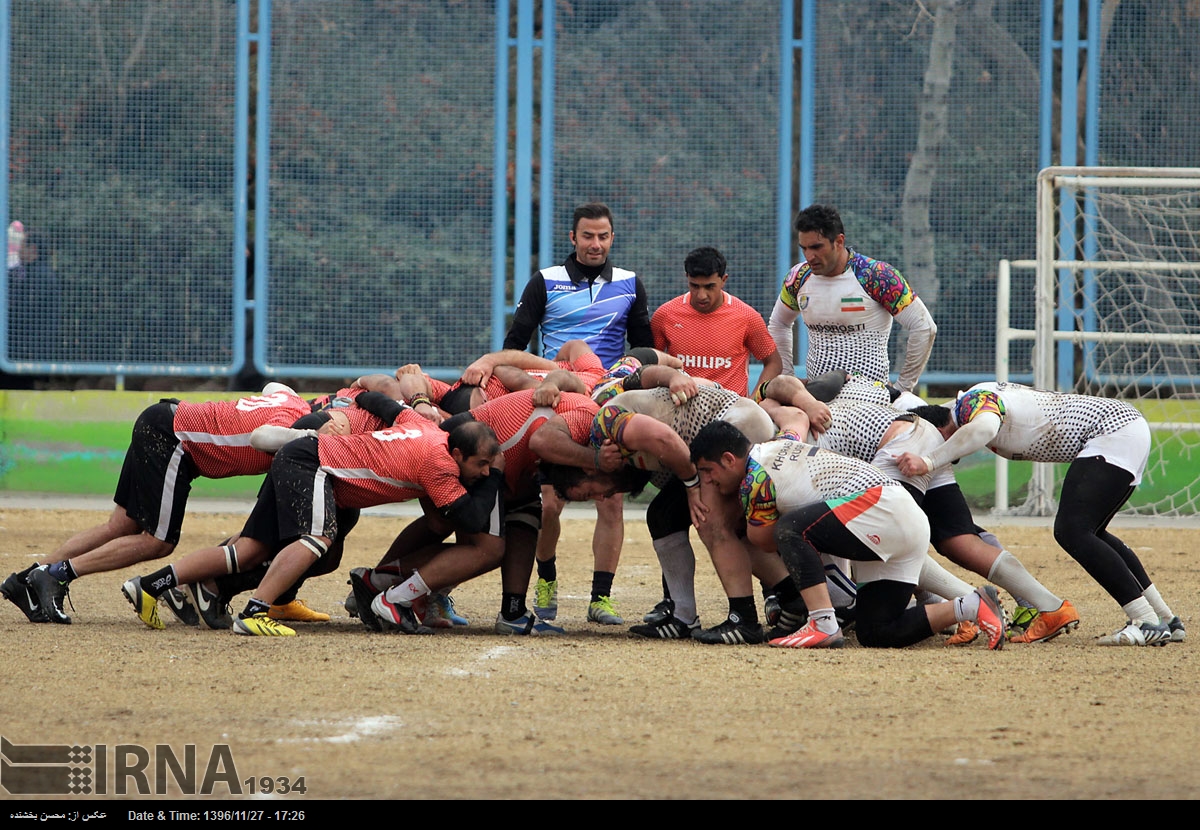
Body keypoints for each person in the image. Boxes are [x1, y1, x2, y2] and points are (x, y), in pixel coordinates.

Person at [120, 410, 503, 637]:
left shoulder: (425, 424)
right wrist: (499, 478)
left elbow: (379, 400)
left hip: (304, 455)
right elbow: (469, 517)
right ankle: (254, 613)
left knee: (248, 549)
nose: (485, 473)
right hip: (312, 461)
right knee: (318, 539)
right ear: (457, 452)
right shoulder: (439, 463)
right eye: (481, 465)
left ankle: (149, 585)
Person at [896, 382, 1185, 647]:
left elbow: (982, 430)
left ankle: (1144, 620)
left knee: (1072, 531)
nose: (953, 454)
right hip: (1122, 429)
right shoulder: (971, 404)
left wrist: (929, 460)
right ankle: (1166, 618)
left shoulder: (970, 403)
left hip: (1111, 431)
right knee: (1092, 532)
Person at [1, 384, 313, 625]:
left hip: (162, 421)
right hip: (173, 438)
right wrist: (305, 434)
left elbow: (273, 387)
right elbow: (261, 438)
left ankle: (27, 580)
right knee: (158, 542)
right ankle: (57, 574)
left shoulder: (293, 401)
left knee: (121, 525)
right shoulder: (292, 428)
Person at [690, 420, 1007, 650]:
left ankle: (823, 622)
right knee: (877, 632)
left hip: (881, 509)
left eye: (708, 471)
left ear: (729, 460)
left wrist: (733, 522)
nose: (708, 482)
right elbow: (795, 420)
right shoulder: (780, 443)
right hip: (899, 516)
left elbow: (762, 539)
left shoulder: (753, 479)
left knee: (790, 529)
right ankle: (971, 605)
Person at [503, 203, 654, 628]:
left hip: (608, 402)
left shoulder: (629, 284)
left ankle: (600, 598)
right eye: (587, 236)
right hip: (557, 402)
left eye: (603, 236)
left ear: (611, 237)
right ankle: (546, 578)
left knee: (612, 500)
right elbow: (516, 342)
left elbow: (640, 349)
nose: (595, 244)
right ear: (573, 238)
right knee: (549, 503)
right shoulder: (545, 281)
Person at [767, 204, 937, 393]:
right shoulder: (798, 277)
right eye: (804, 248)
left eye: (816, 247)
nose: (809, 256)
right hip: (817, 400)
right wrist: (789, 379)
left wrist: (902, 389)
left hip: (871, 398)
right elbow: (778, 323)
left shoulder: (877, 276)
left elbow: (924, 327)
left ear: (839, 241)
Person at [651, 246, 782, 397]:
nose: (701, 295)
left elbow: (773, 363)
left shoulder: (746, 316)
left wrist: (753, 403)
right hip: (680, 409)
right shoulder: (665, 315)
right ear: (686, 277)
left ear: (723, 280)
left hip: (730, 412)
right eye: (695, 286)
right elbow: (651, 365)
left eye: (709, 287)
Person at [6, 228, 62, 362]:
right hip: (26, 346)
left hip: (29, 349)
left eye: (22, 245)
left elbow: (26, 310)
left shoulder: (39, 276)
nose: (18, 250)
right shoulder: (30, 272)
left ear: (33, 249)